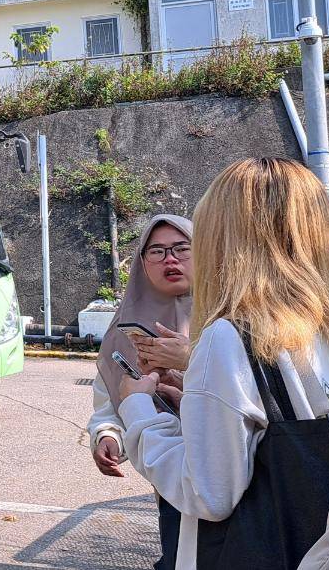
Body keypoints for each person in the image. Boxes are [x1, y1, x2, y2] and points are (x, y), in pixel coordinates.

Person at [120, 158, 329, 570]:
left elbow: (209, 493)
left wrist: (138, 412)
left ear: (222, 240)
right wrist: (199, 403)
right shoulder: (326, 328)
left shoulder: (230, 336)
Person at [89, 214, 194, 570]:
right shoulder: (125, 326)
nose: (170, 259)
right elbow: (110, 398)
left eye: (181, 248)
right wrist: (109, 434)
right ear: (142, 264)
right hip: (167, 469)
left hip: (235, 468)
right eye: (157, 251)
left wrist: (192, 359)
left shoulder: (231, 313)